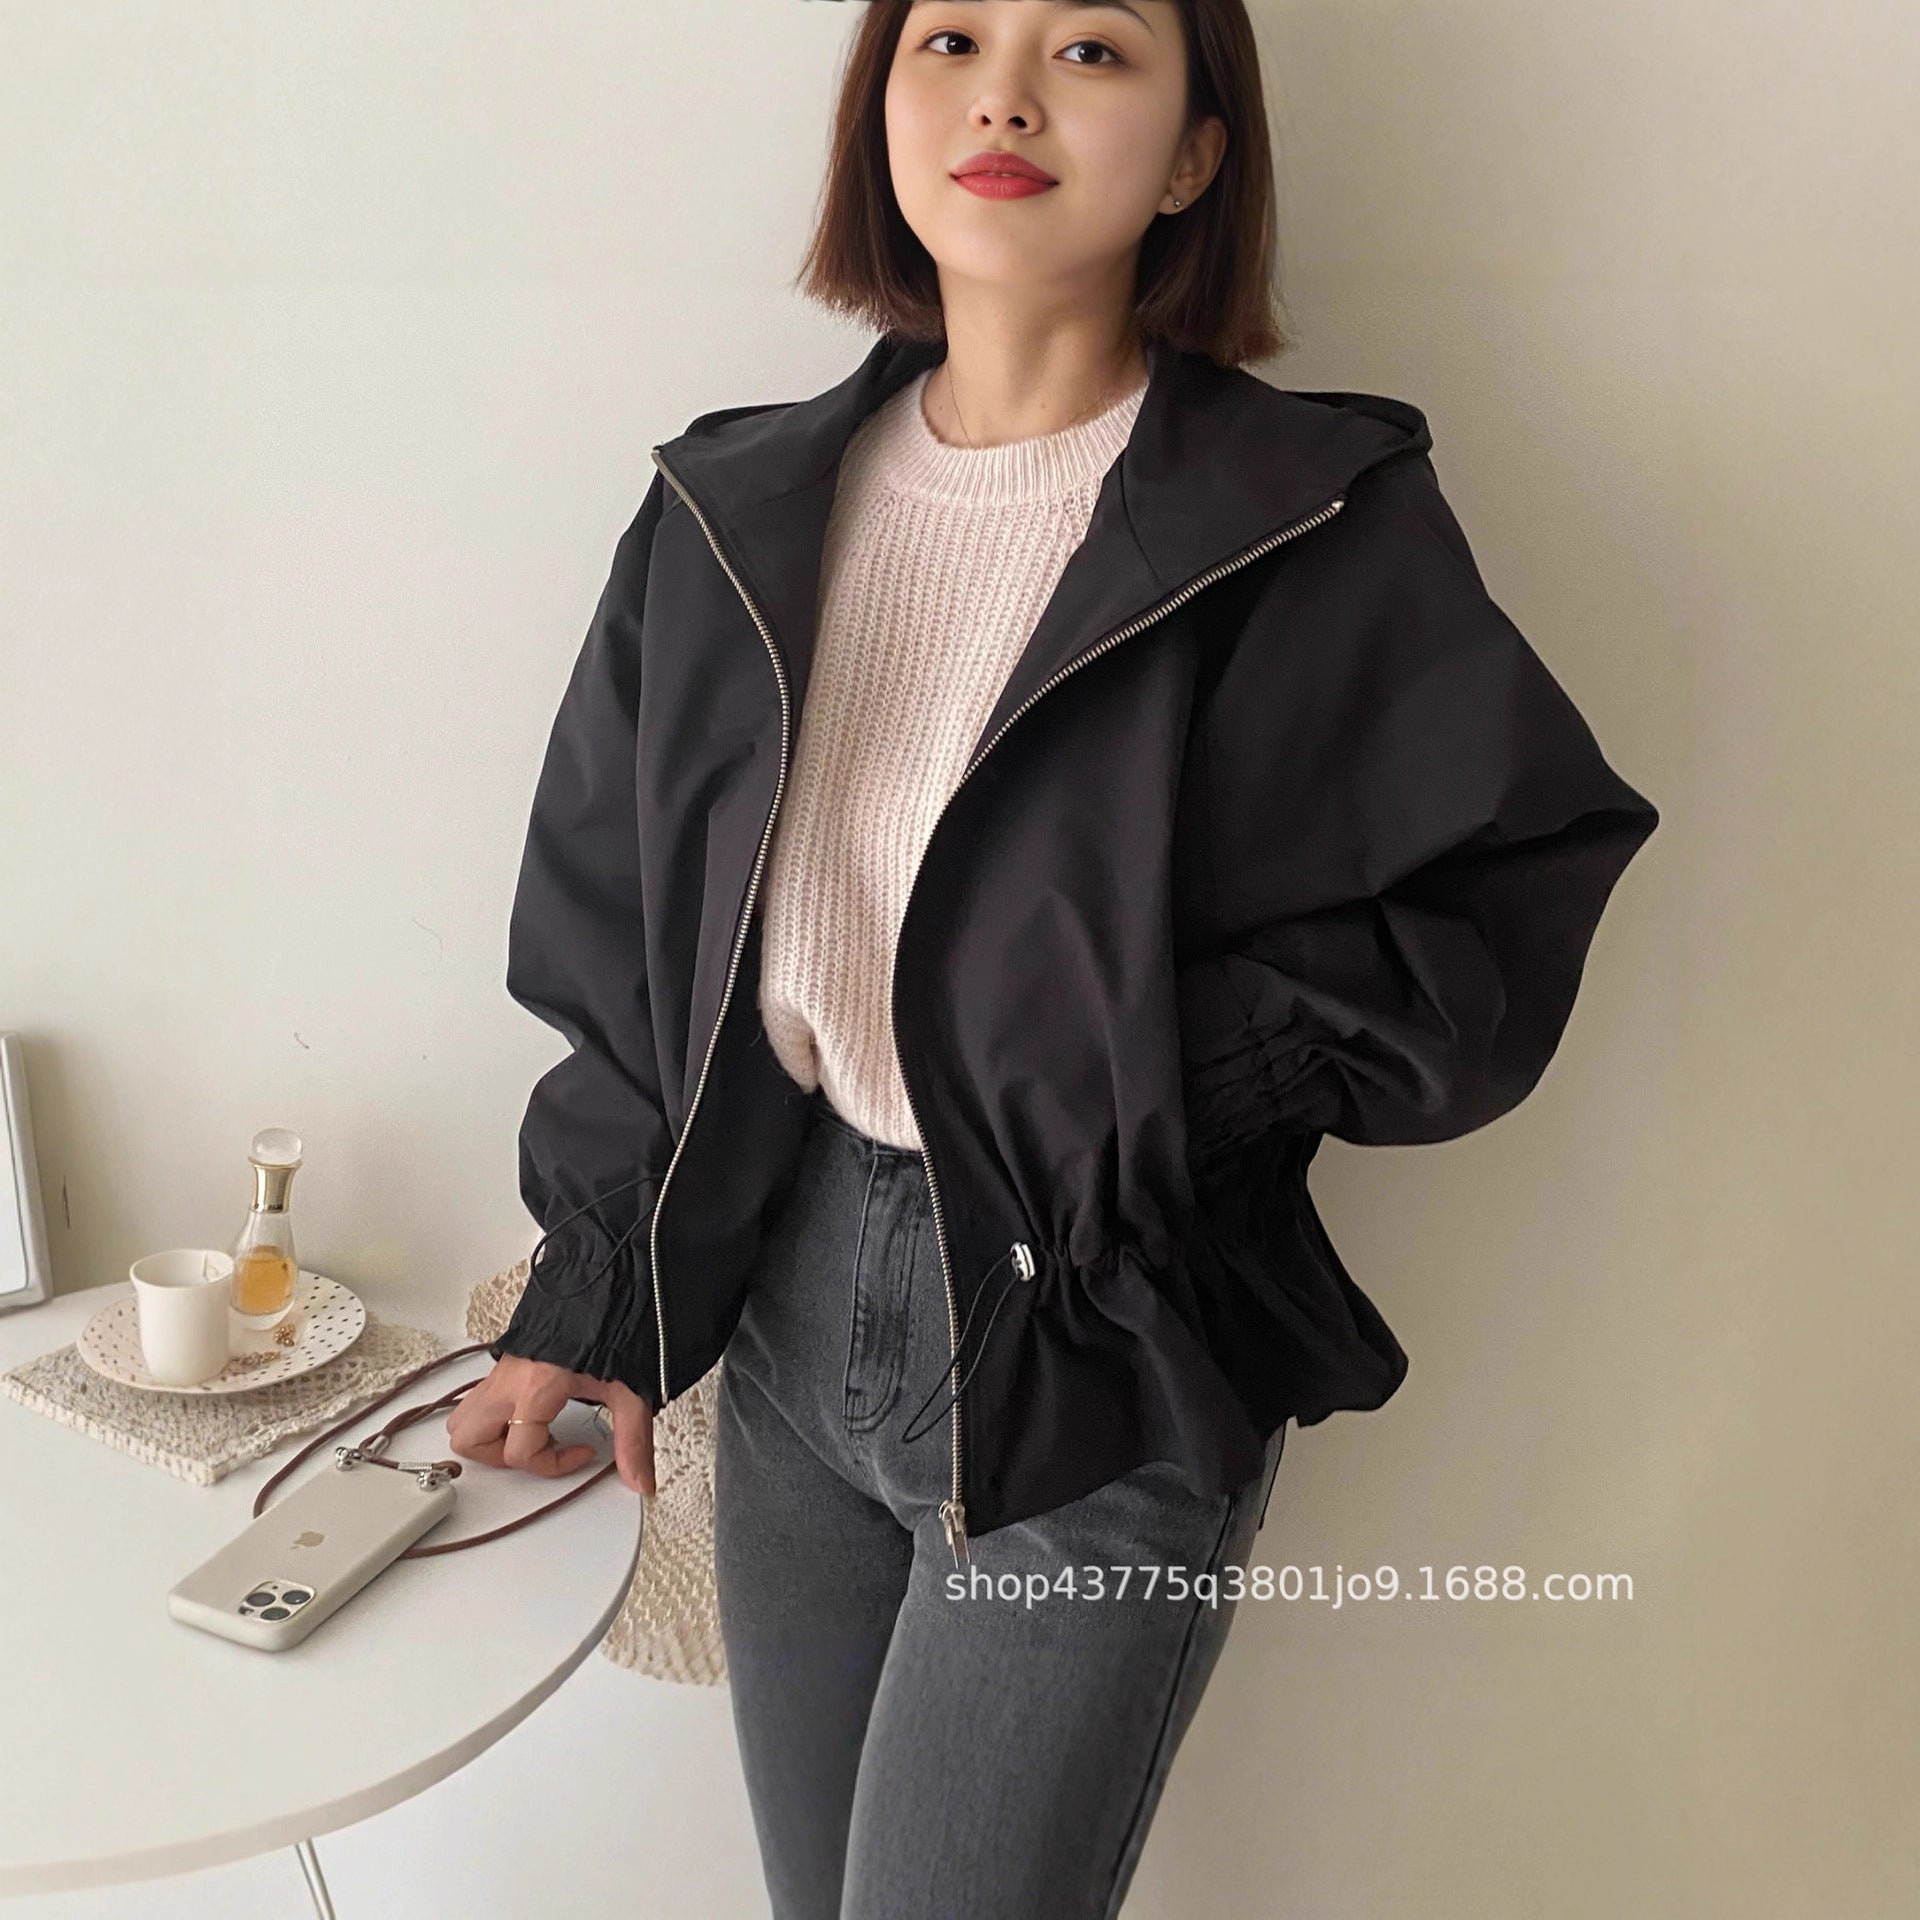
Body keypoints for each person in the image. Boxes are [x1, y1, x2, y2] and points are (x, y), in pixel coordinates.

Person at [448, 3, 1661, 1915]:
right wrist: (591, 1293)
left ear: (1196, 152)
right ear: (882, 110)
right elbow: (623, 942)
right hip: (784, 1322)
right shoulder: (727, 509)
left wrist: (1157, 1088)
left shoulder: (1304, 521)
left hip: (1092, 1348)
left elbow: (1499, 890)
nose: (1004, 92)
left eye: (1093, 49)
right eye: (949, 37)